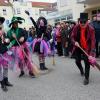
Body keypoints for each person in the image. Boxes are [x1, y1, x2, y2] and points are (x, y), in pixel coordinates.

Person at [71, 13, 96, 85]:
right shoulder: (76, 27)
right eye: (81, 22)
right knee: (77, 61)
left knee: (87, 62)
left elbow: (93, 42)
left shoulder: (91, 29)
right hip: (78, 46)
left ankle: (86, 78)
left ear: (87, 22)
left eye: (84, 22)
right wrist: (74, 42)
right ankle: (81, 70)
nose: (82, 24)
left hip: (87, 48)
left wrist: (91, 54)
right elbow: (72, 37)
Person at [0, 17, 13, 92]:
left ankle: (6, 81)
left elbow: (5, 42)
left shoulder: (3, 32)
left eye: (1, 23)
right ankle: (2, 84)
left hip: (4, 51)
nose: (1, 24)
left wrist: (7, 41)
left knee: (5, 67)